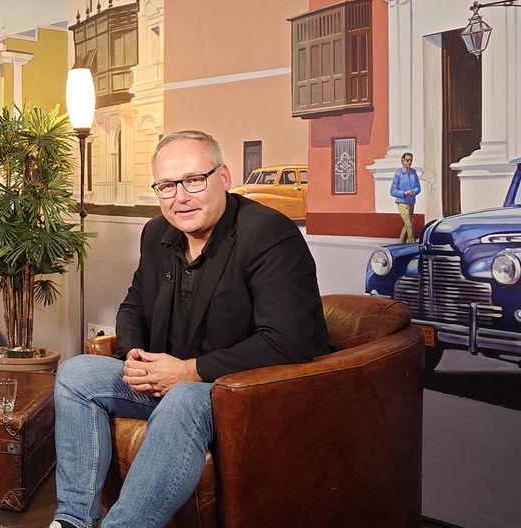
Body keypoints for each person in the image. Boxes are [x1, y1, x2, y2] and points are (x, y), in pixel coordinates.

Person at [49, 130, 328, 528]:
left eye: (194, 180)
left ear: (224, 177)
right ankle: (73, 520)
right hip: (167, 379)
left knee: (183, 400)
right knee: (76, 372)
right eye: (167, 185)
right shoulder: (157, 233)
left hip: (236, 390)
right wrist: (134, 354)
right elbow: (133, 306)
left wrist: (188, 372)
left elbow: (288, 342)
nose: (180, 196)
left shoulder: (268, 234)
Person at [390, 152, 421, 243]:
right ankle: (412, 244)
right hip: (402, 202)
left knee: (408, 224)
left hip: (411, 202)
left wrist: (413, 191)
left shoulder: (413, 172)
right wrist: (404, 193)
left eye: (411, 160)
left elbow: (418, 187)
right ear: (402, 161)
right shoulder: (398, 174)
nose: (409, 162)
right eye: (407, 160)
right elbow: (392, 191)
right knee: (409, 224)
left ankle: (401, 243)